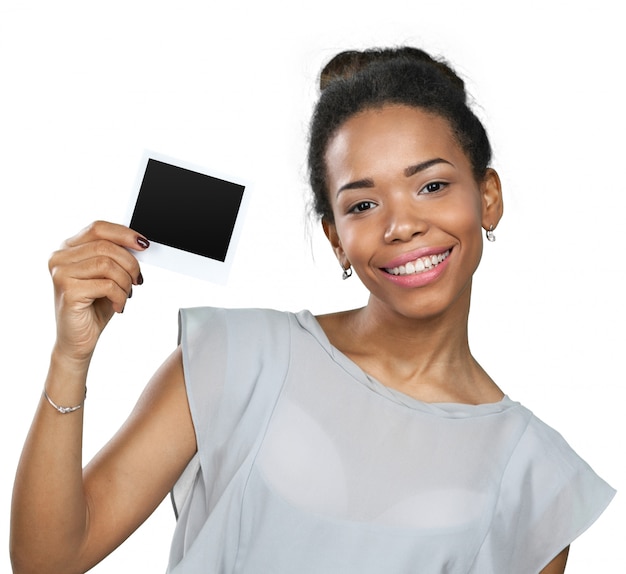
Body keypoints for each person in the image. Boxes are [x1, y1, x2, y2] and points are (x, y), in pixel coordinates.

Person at [10, 47, 615, 574]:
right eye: (362, 204)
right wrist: (71, 356)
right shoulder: (237, 356)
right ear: (335, 238)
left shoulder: (539, 476)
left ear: (488, 198)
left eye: (431, 185)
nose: (402, 224)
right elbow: (48, 562)